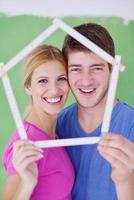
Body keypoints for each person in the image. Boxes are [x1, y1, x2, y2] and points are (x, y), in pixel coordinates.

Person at [56, 23, 134, 200]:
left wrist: (125, 181)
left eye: (96, 68)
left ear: (112, 70)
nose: (86, 80)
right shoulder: (57, 126)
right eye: (76, 69)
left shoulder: (131, 125)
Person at [2, 44, 75, 200]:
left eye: (61, 79)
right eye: (43, 81)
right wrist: (27, 183)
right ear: (28, 86)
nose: (54, 90)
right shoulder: (26, 142)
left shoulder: (55, 132)